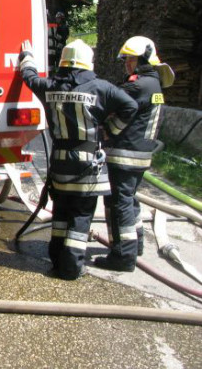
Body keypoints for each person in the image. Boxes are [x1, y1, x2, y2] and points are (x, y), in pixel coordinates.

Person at [18, 39, 137, 279]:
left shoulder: (49, 86)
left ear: (63, 62)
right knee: (80, 216)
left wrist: (27, 56)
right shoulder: (102, 88)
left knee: (61, 213)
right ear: (88, 63)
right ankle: (71, 267)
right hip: (88, 165)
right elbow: (131, 106)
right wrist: (110, 130)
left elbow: (29, 76)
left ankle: (57, 261)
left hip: (60, 163)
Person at [94, 36, 174, 272]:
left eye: (130, 59)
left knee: (119, 203)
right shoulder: (154, 84)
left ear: (143, 59)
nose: (127, 64)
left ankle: (123, 256)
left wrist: (107, 128)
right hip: (140, 152)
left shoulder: (138, 86)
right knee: (129, 198)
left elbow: (112, 104)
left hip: (125, 153)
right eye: (126, 60)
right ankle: (135, 244)